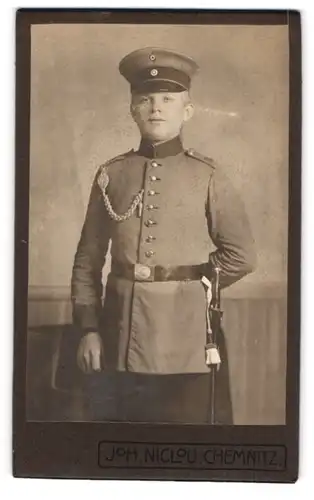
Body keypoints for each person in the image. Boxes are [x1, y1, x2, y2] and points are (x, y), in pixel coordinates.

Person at [71, 47, 256, 424]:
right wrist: (88, 329)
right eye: (146, 99)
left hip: (185, 338)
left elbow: (242, 256)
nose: (156, 108)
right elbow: (88, 261)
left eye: (168, 99)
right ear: (132, 109)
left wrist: (194, 283)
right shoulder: (112, 174)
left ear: (186, 111)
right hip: (118, 334)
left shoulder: (207, 175)